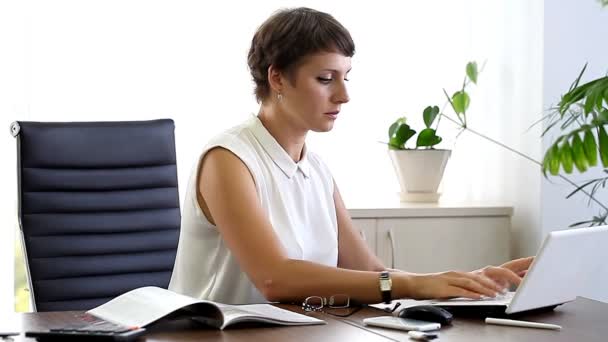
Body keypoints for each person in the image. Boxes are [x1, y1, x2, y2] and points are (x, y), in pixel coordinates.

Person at [169, 7, 532, 305]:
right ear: (277, 79)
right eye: (326, 79)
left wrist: (471, 283)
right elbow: (274, 278)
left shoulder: (316, 169)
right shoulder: (229, 159)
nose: (343, 95)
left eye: (346, 77)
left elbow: (367, 270)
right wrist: (416, 284)